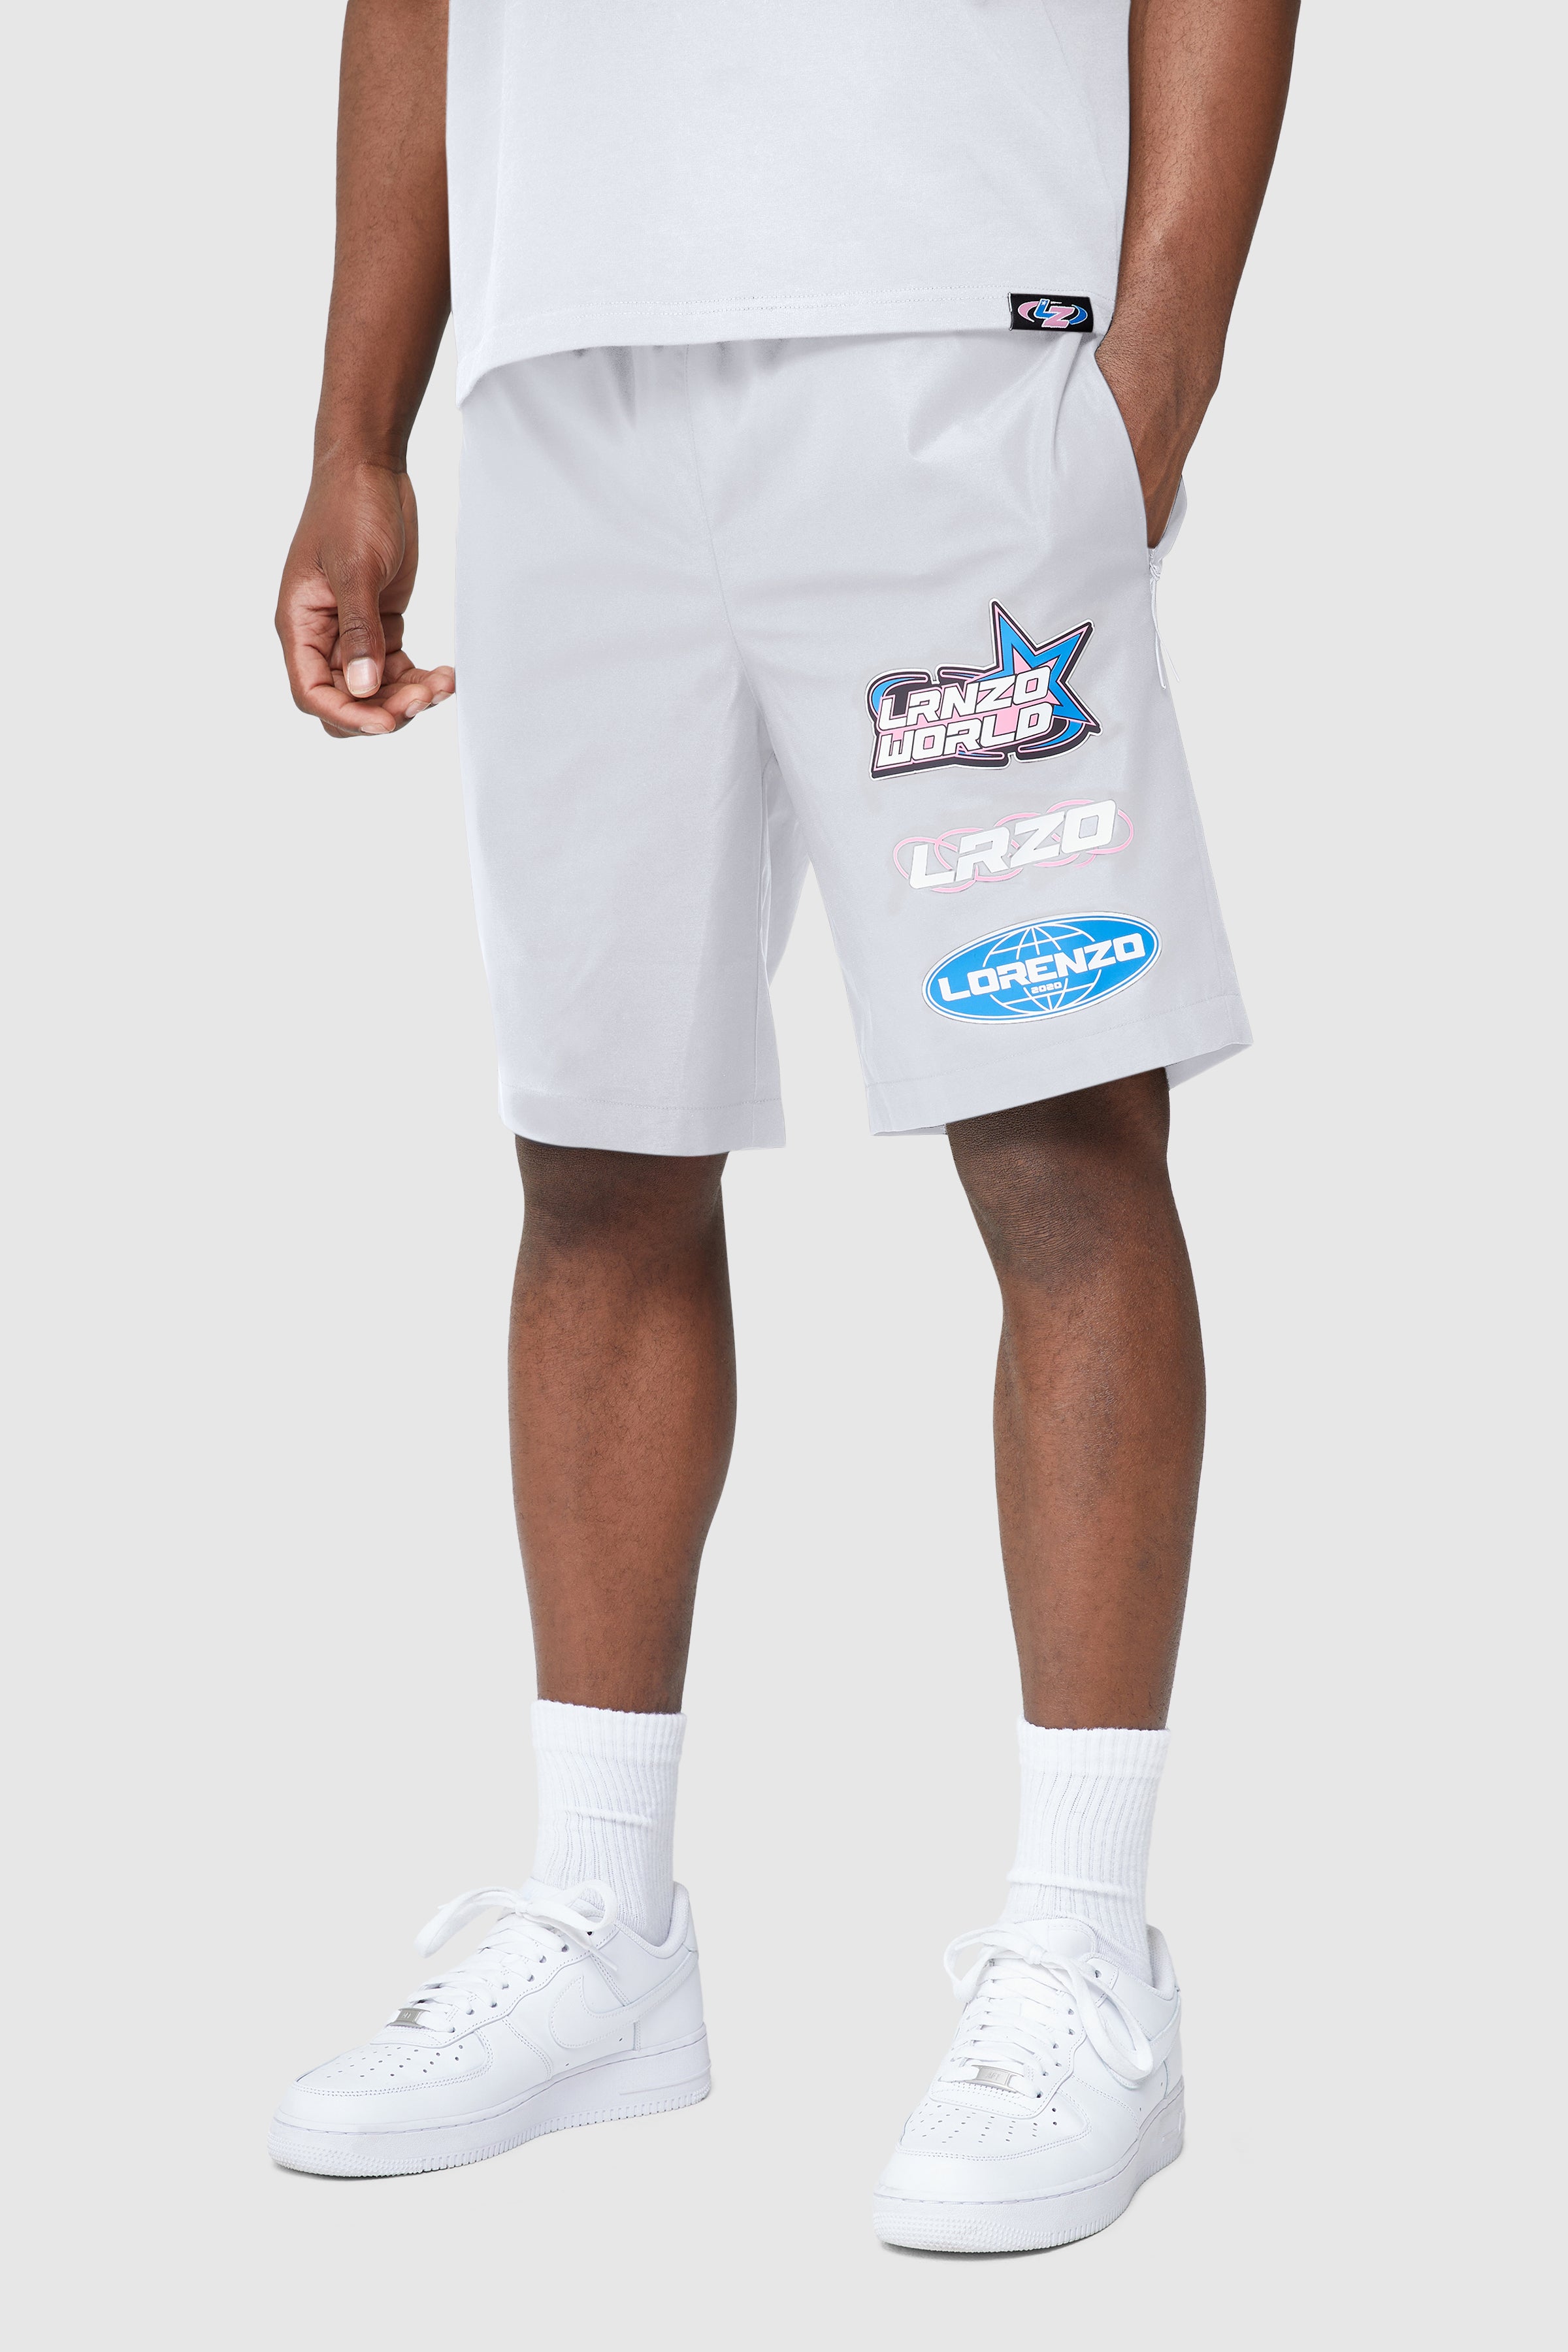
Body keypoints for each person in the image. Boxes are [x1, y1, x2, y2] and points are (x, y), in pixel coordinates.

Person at [270, 0, 1297, 2251]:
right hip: (562, 372)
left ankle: (1083, 1946)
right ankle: (603, 1921)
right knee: (595, 1156)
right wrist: (360, 424)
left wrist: (1156, 374)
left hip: (953, 338)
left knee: (1058, 1140)